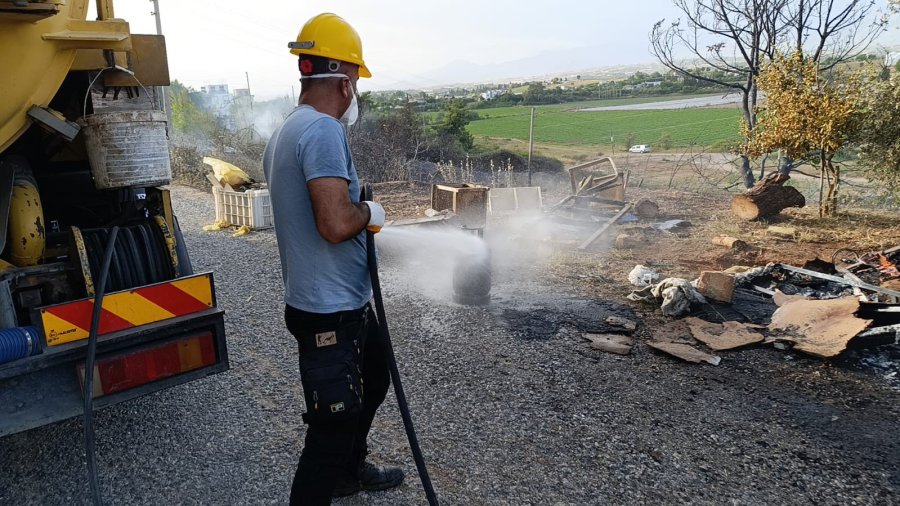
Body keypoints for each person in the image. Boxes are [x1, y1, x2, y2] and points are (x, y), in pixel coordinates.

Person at [263, 12, 403, 505]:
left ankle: (351, 471)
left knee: (377, 373)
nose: (355, 95)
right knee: (331, 425)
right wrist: (369, 210)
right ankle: (332, 474)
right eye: (356, 83)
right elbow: (334, 223)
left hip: (336, 301)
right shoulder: (322, 131)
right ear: (345, 84)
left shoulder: (285, 130)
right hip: (328, 311)